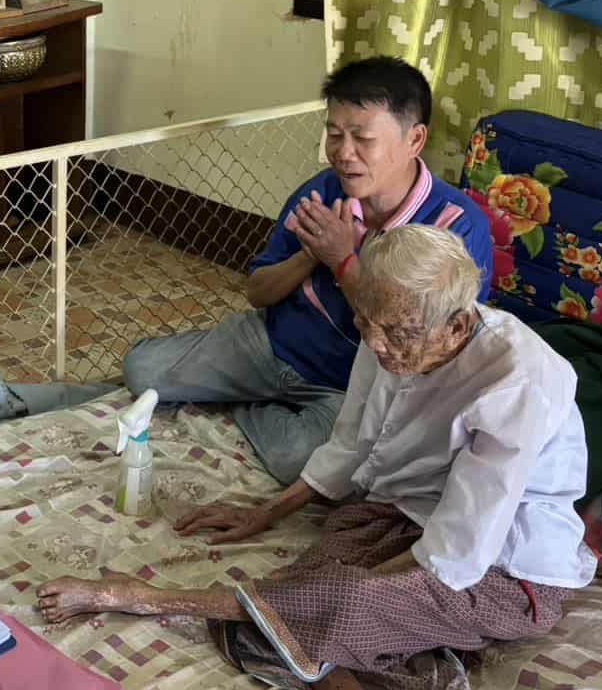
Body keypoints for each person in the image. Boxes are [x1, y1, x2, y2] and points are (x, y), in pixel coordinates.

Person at [39, 225, 595, 690]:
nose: (376, 344)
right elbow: (351, 440)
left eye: (396, 334)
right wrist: (267, 513)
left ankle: (140, 597)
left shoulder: (518, 381)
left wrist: (344, 591)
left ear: (456, 327)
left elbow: (459, 550)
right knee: (297, 607)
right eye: (365, 324)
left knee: (326, 605)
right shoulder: (390, 323)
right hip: (409, 514)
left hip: (505, 565)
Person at [122, 56, 493, 484]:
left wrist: (342, 259)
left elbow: (422, 347)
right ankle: (252, 391)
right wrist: (310, 254)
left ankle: (245, 403)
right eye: (334, 134)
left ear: (415, 139)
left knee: (298, 461)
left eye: (363, 138)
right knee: (142, 369)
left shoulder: (455, 226)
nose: (343, 153)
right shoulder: (323, 191)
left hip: (347, 385)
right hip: (270, 343)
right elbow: (257, 292)